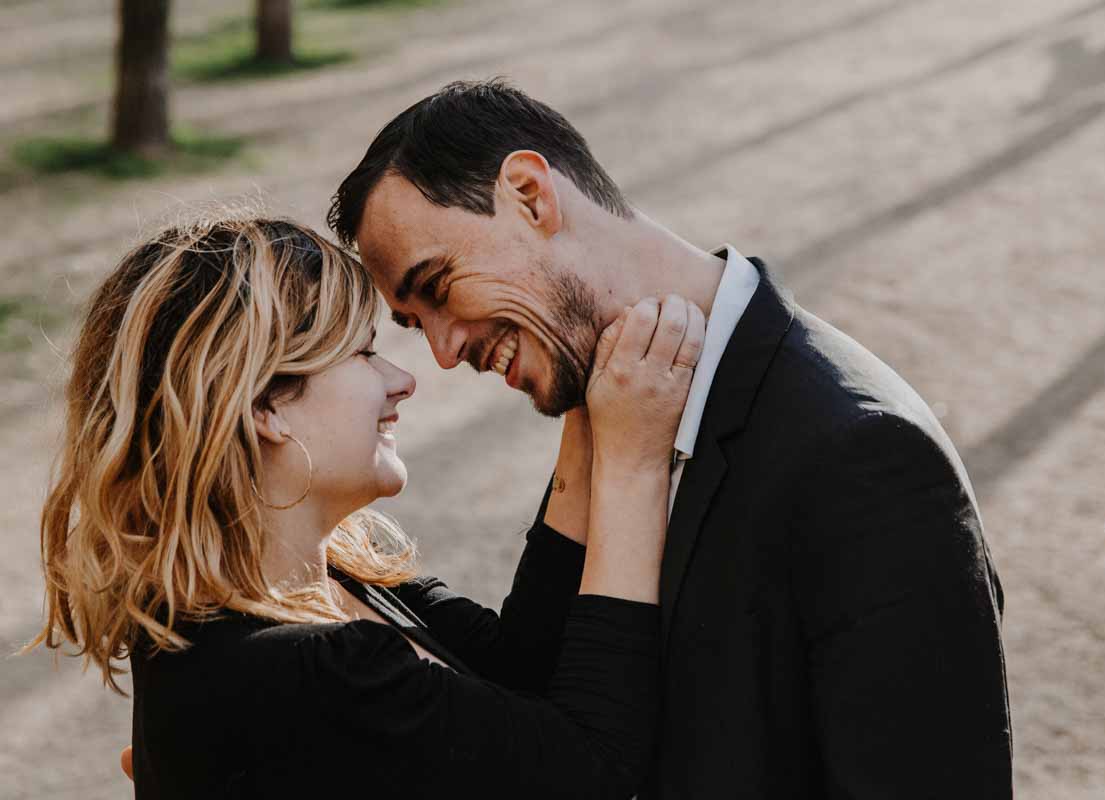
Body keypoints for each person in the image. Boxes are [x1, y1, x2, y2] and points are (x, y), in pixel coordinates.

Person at [326, 78, 1014, 798]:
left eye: (437, 288)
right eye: (413, 324)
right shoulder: (616, 415)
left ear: (530, 195)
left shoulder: (862, 457)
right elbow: (550, 689)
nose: (442, 352)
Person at [30, 215, 705, 798]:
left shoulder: (338, 584)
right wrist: (634, 460)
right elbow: (592, 770)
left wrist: (584, 390)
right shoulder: (305, 671)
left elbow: (525, 670)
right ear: (264, 405)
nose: (403, 379)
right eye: (364, 353)